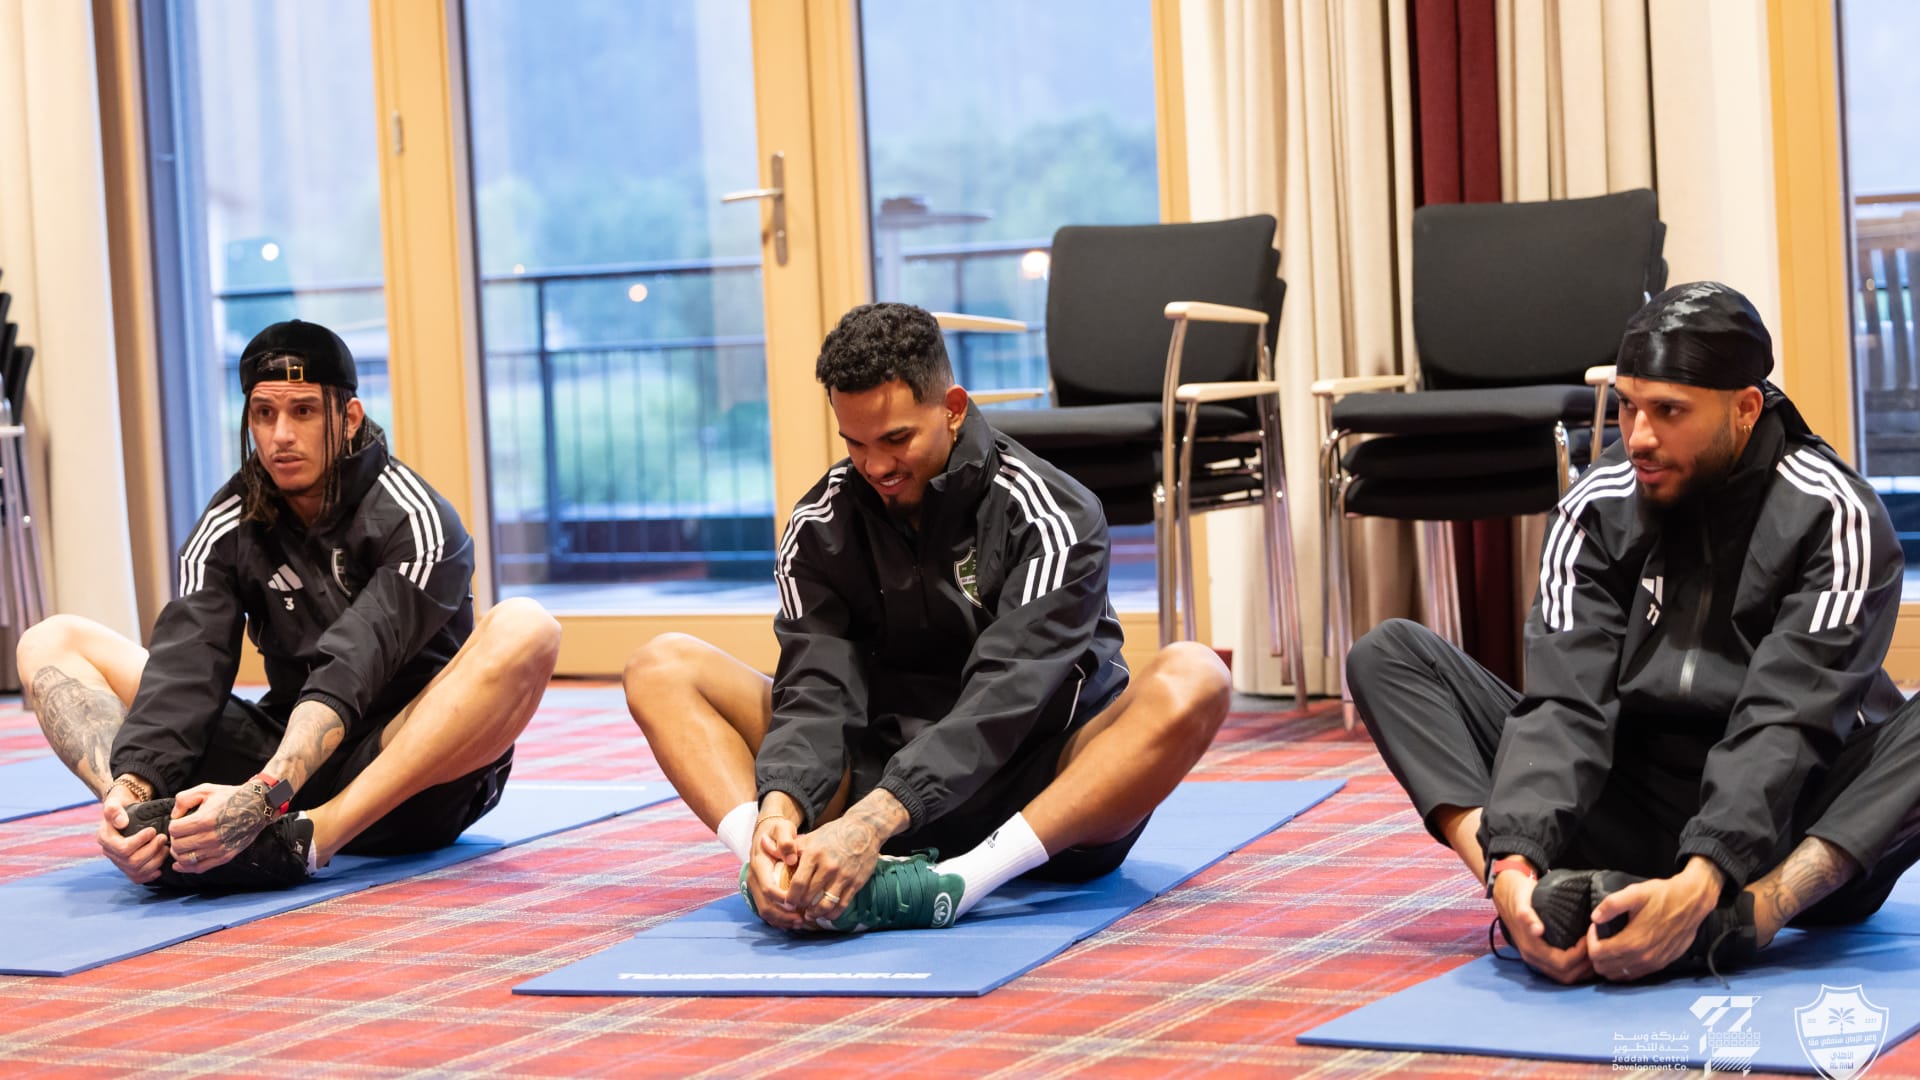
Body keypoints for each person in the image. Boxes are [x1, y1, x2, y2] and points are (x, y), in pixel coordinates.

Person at [1348, 282, 1920, 984]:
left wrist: (1709, 876)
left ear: (1745, 408)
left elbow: (1788, 722)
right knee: (1389, 655)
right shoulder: (1596, 506)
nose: (1639, 437)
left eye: (1669, 411)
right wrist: (1515, 859)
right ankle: (1518, 892)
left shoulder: (1834, 513)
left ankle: (1746, 919)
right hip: (1632, 804)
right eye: (1627, 406)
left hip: (1799, 824)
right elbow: (1566, 703)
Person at [626, 301, 1231, 932]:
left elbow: (1006, 699)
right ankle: (770, 868)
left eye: (897, 439)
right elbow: (816, 690)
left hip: (1037, 790)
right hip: (878, 782)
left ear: (953, 408)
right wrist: (778, 810)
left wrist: (875, 819)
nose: (876, 467)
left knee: (1197, 676)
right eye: (855, 443)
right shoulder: (821, 525)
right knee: (661, 666)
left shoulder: (1051, 514)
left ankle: (959, 883)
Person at [19, 319, 561, 889]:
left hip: (406, 777)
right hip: (284, 761)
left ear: (348, 418)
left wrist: (263, 794)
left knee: (527, 627)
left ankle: (314, 838)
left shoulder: (415, 518)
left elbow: (353, 666)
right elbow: (186, 668)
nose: (280, 435)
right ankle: (144, 830)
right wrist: (131, 788)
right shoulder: (228, 523)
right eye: (264, 413)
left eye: (303, 411)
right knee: (50, 641)